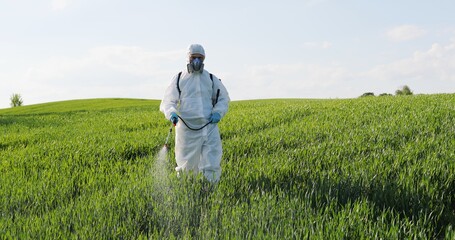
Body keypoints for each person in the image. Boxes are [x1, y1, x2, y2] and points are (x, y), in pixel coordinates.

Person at [160, 44, 230, 183]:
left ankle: (210, 189)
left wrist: (218, 112)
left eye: (200, 58)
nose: (197, 61)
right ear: (188, 58)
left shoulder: (210, 78)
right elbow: (168, 101)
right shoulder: (179, 78)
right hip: (187, 129)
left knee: (212, 160)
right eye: (194, 57)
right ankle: (187, 189)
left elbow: (224, 98)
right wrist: (171, 113)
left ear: (204, 59)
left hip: (209, 125)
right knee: (186, 163)